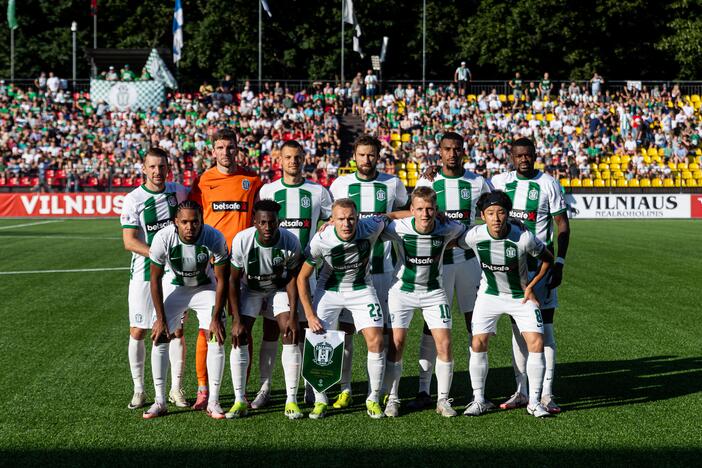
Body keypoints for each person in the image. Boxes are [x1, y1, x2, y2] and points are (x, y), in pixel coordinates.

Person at [297, 199, 405, 419]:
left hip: (361, 289)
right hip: (329, 291)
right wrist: (309, 314)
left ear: (358, 218)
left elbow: (393, 215)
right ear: (331, 220)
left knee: (375, 340)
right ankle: (320, 400)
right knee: (319, 341)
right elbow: (302, 278)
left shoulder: (370, 226)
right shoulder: (322, 239)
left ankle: (373, 398)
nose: (346, 224)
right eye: (341, 219)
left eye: (351, 218)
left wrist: (429, 215)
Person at [408, 132, 492, 410]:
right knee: (431, 326)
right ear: (440, 151)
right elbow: (414, 214)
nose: (452, 154)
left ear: (463, 151)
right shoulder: (428, 180)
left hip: (469, 262)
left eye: (457, 149)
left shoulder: (478, 182)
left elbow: (492, 213)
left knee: (474, 324)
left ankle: (476, 391)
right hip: (437, 265)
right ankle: (423, 389)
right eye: (447, 149)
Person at [328, 134, 408, 409]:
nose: (366, 160)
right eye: (361, 155)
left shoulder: (393, 183)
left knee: (385, 333)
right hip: (350, 273)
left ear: (378, 156)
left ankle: (386, 390)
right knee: (347, 331)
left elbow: (400, 215)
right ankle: (346, 387)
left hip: (383, 269)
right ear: (354, 156)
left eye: (371, 155)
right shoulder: (340, 184)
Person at [491, 137, 570, 414]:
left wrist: (559, 261)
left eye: (528, 155)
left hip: (542, 269)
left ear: (535, 155)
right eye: (519, 155)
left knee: (545, 330)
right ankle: (522, 391)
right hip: (512, 270)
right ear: (511, 157)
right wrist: (430, 175)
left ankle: (546, 393)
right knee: (518, 331)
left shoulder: (549, 183)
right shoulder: (499, 182)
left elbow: (562, 226)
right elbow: (474, 188)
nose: (524, 159)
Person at [458, 191, 554, 418]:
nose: (496, 218)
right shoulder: (474, 236)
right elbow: (453, 241)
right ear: (482, 216)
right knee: (477, 341)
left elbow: (548, 258)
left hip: (519, 297)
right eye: (490, 213)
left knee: (536, 341)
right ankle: (479, 399)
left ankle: (534, 401)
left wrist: (531, 286)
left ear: (508, 214)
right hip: (489, 295)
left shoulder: (523, 237)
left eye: (501, 212)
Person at [253, 140, 333, 409]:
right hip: (273, 274)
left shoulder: (318, 191)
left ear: (304, 159)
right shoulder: (269, 190)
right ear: (280, 160)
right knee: (272, 329)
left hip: (307, 273)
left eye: (297, 157)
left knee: (309, 328)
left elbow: (331, 219)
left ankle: (312, 386)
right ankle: (265, 388)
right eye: (288, 157)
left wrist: (324, 227)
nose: (293, 161)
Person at [188, 128, 263, 410]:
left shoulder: (251, 180)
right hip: (211, 266)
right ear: (213, 150)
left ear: (237, 149)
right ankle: (204, 389)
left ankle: (240, 391)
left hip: (243, 264)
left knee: (242, 326)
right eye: (220, 147)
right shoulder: (203, 181)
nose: (225, 152)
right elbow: (191, 221)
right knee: (208, 326)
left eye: (230, 147)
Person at [381, 187, 468, 418]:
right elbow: (379, 222)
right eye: (419, 209)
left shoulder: (449, 228)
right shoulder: (399, 228)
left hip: (433, 292)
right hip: (402, 292)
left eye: (430, 209)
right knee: (396, 343)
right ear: (411, 210)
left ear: (436, 210)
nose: (425, 213)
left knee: (445, 344)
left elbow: (466, 234)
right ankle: (393, 398)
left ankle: (442, 400)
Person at [145, 200, 230, 419]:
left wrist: (215, 317)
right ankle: (160, 401)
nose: (189, 227)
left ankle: (213, 402)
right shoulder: (163, 238)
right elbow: (154, 279)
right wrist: (160, 319)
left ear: (202, 221)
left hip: (205, 288)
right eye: (184, 222)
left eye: (194, 222)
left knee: (216, 336)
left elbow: (222, 279)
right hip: (175, 287)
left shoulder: (214, 237)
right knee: (159, 337)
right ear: (176, 222)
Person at [119, 147, 189, 410]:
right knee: (138, 330)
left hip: (174, 274)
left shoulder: (178, 192)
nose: (158, 172)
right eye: (152, 167)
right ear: (143, 169)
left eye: (162, 167)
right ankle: (139, 389)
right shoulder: (134, 199)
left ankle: (176, 389)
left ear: (168, 168)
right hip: (144, 272)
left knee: (177, 330)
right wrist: (157, 254)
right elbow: (129, 241)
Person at [227, 200, 303, 419]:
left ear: (278, 221)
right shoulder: (243, 240)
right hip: (250, 290)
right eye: (262, 223)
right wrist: (236, 319)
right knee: (240, 335)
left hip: (278, 290)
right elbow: (232, 281)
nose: (267, 227)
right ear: (255, 223)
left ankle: (291, 399)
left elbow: (292, 280)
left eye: (271, 222)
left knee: (288, 333)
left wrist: (294, 314)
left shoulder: (290, 241)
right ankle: (239, 399)